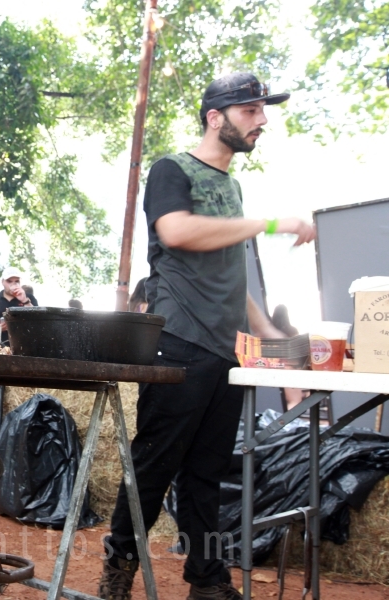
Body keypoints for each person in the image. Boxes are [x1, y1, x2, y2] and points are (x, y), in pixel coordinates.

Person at [98, 73, 316, 600]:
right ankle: (118, 571)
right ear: (215, 117)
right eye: (250, 111)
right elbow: (175, 231)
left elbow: (228, 274)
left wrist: (270, 338)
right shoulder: (173, 169)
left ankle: (208, 580)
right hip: (178, 342)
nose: (262, 120)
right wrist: (270, 223)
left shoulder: (233, 188)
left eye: (262, 111)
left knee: (208, 475)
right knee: (153, 465)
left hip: (227, 350)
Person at [0, 267, 38, 345]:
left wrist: (24, 300)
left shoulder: (29, 298)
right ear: (3, 282)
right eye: (9, 281)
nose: (13, 284)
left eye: (16, 281)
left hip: (24, 347)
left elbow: (37, 321)